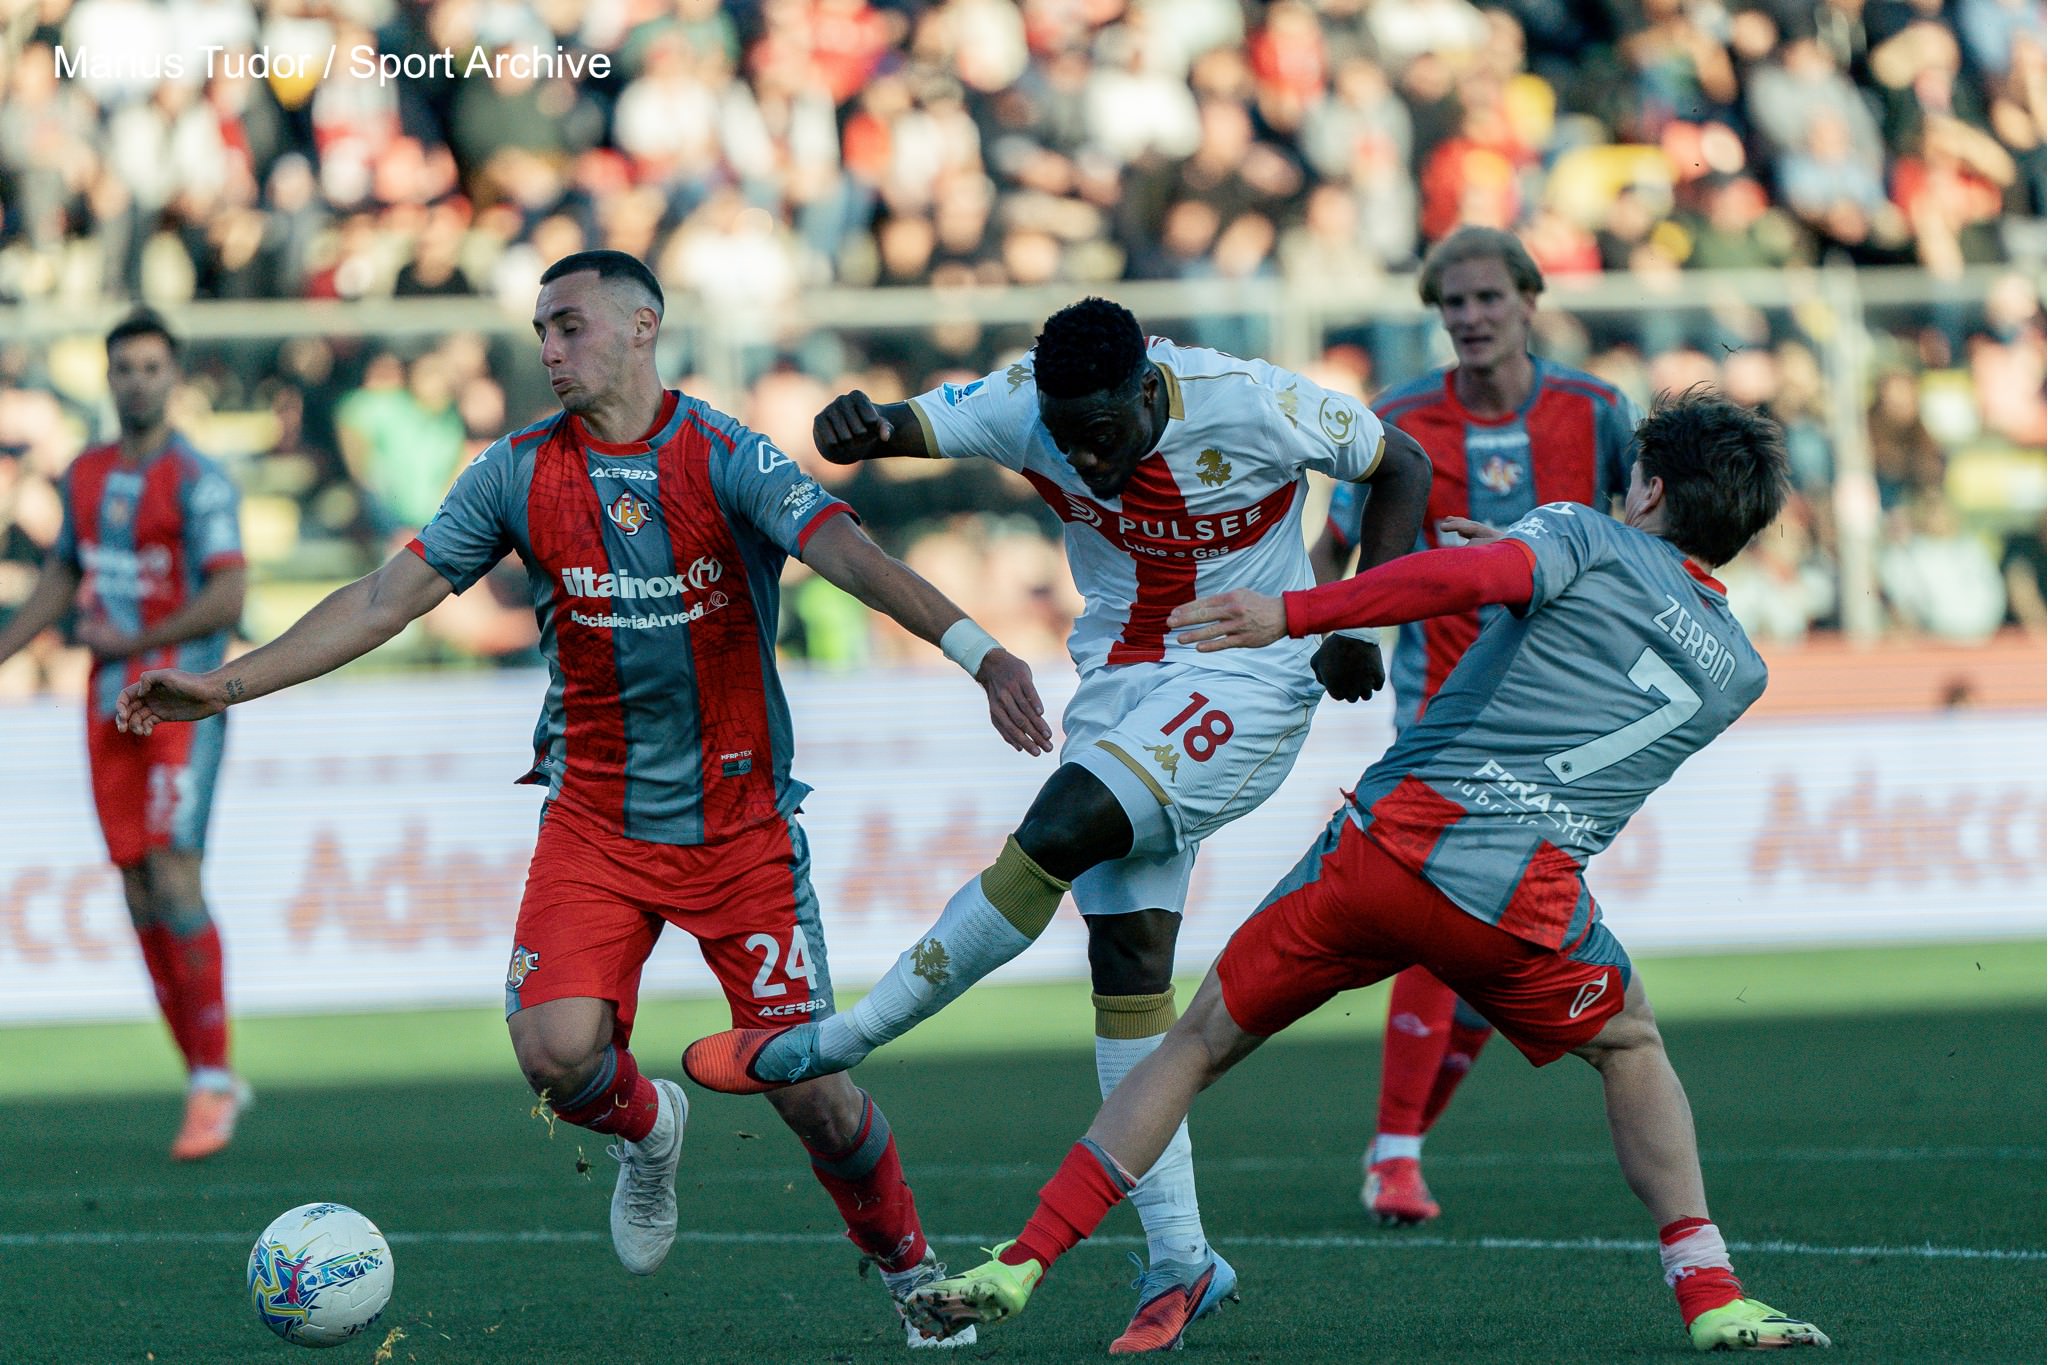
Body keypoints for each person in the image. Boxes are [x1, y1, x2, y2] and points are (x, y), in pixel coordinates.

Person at [115, 251, 1052, 1348]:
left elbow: (847, 552)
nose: (549, 350)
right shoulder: (513, 472)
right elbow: (382, 600)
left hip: (739, 830)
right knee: (554, 1056)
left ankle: (907, 1269)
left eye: (569, 326)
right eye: (541, 331)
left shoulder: (723, 453)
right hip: (594, 823)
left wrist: (982, 655)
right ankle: (650, 1129)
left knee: (812, 1091)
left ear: (642, 326)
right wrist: (222, 686)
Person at [902, 393, 1833, 1355]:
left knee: (1195, 1041)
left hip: (1387, 857)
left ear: (1648, 485)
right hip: (1522, 906)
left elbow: (1453, 582)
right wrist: (1527, 568)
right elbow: (1600, 641)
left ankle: (1024, 1257)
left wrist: (1293, 611)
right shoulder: (1740, 671)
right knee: (1631, 1044)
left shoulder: (1580, 532)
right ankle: (1712, 1291)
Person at [685, 296, 1432, 1353]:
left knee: (1063, 824)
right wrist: (853, 423)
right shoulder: (1022, 405)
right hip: (1120, 685)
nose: (1085, 452)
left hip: (1254, 676)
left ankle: (834, 1039)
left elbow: (1399, 463)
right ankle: (1181, 1261)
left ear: (1146, 390)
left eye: (1104, 431)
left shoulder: (1249, 401)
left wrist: (1357, 615)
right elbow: (897, 427)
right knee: (1127, 969)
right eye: (1067, 436)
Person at [1314, 226, 1641, 1227]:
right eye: (1450, 305)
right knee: (1437, 911)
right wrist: (1343, 631)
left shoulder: (1594, 413)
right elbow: (1335, 549)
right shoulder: (1399, 420)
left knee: (1505, 938)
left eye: (1485, 299)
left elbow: (1635, 546)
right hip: (1441, 711)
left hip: (1560, 713)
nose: (1467, 319)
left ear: (1529, 300)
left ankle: (1393, 1149)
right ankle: (1397, 1156)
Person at [0, 309, 250, 1160]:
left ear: (173, 377)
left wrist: (136, 644)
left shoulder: (199, 479)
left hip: (177, 700)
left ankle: (213, 1079)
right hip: (107, 705)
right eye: (124, 368)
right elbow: (63, 576)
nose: (136, 380)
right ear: (108, 379)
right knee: (139, 890)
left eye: (150, 366)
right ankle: (203, 1075)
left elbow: (228, 598)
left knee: (176, 876)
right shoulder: (85, 475)